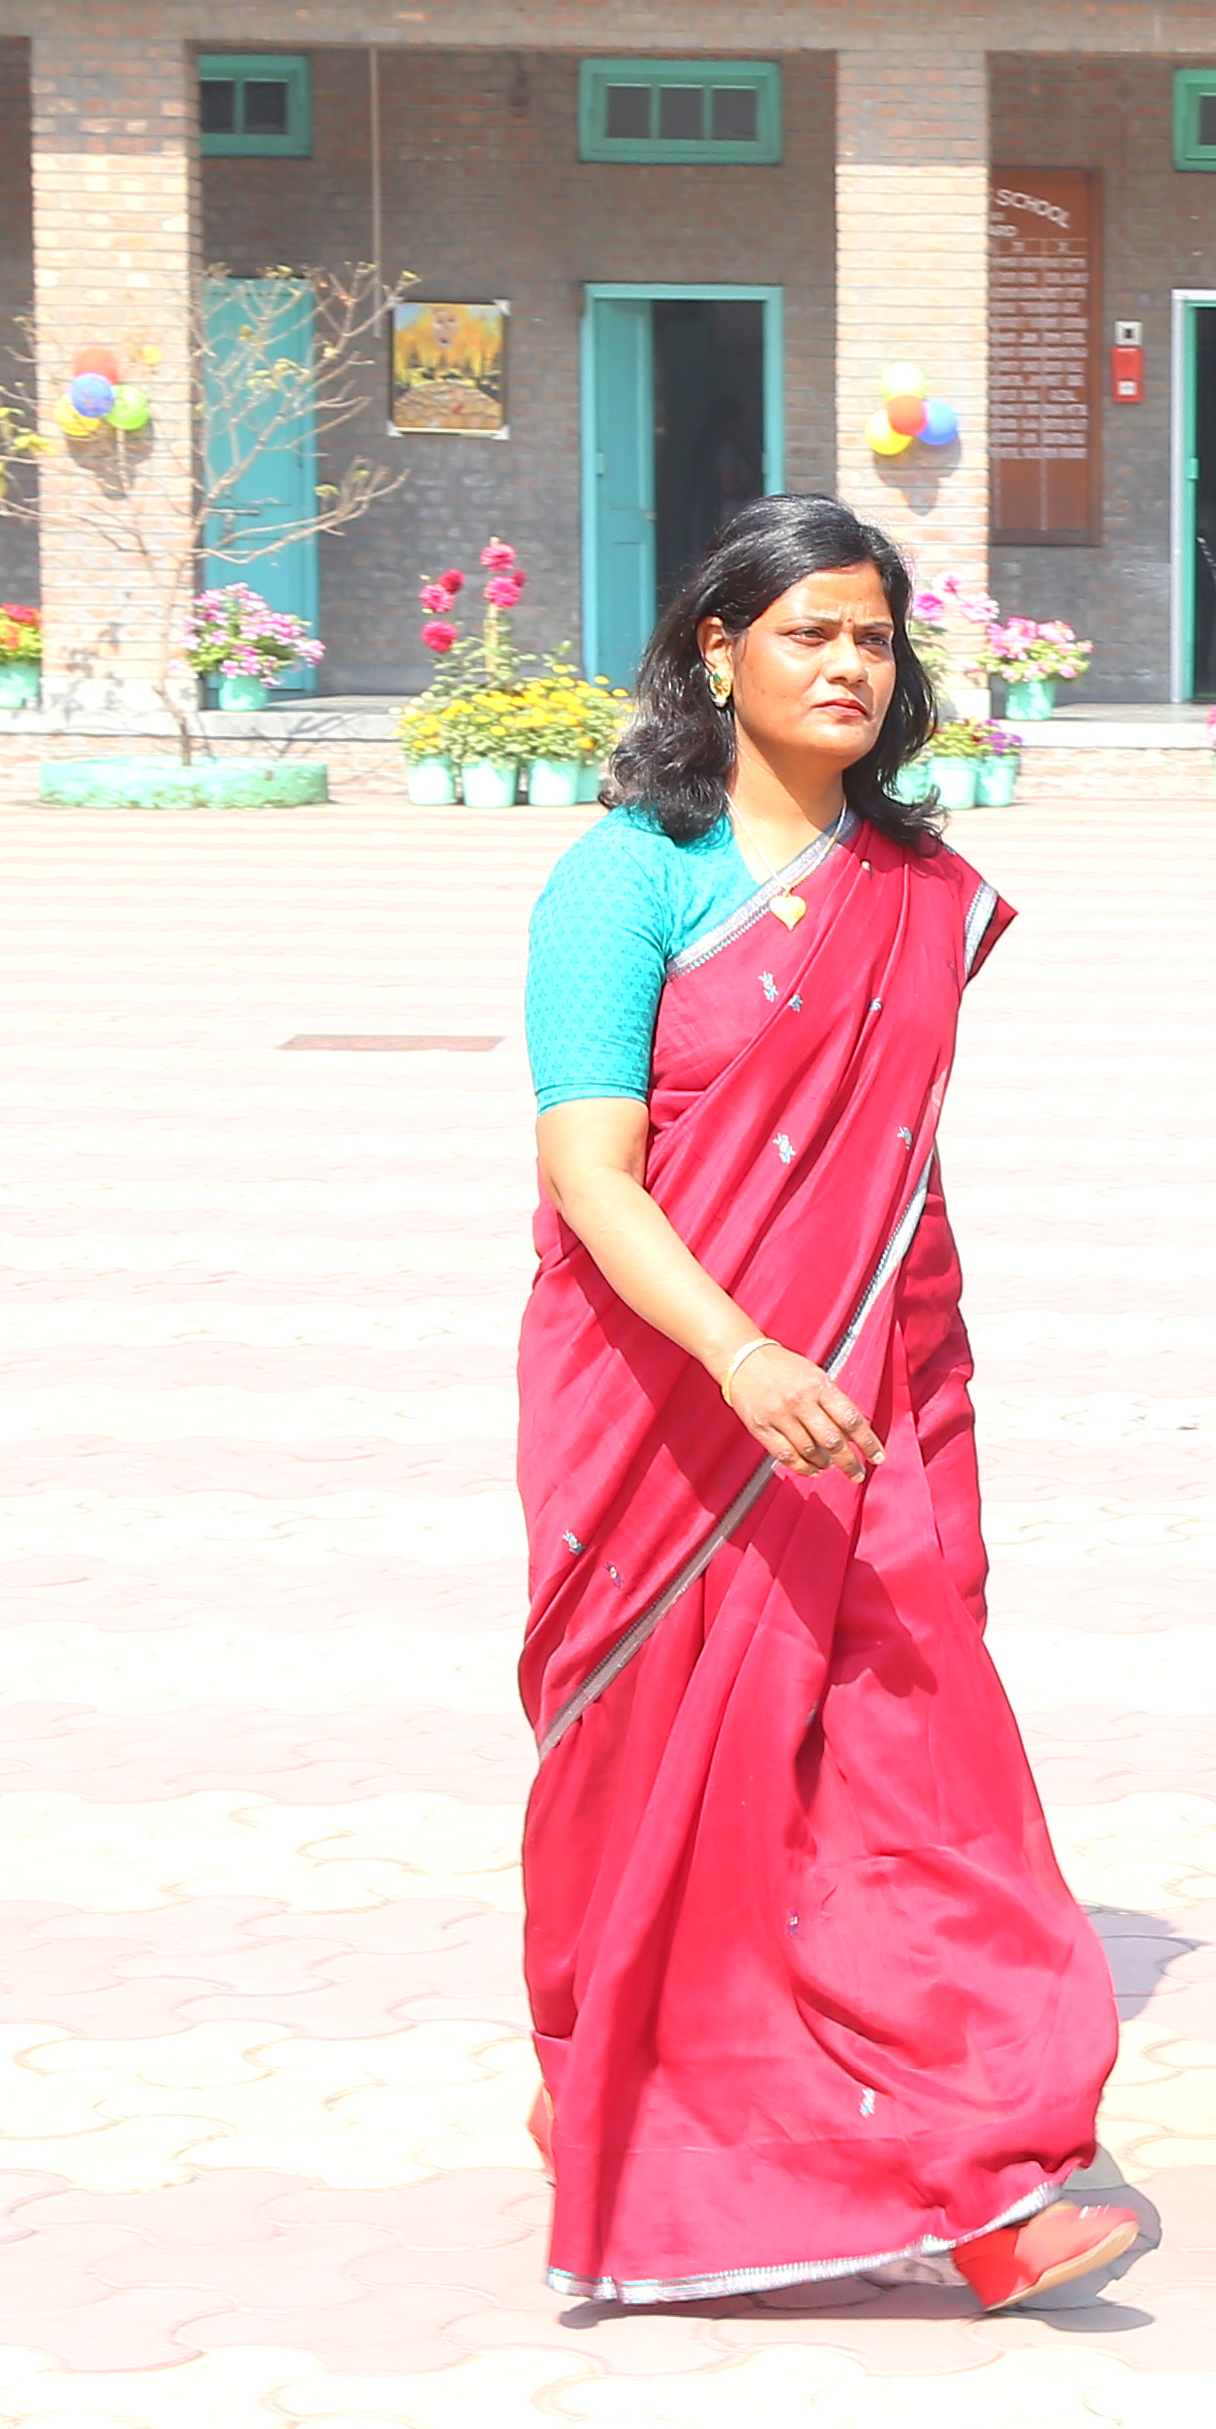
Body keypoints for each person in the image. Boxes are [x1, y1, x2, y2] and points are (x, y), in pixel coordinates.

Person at [509, 494, 1136, 2317]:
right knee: (660, 1787)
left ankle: (980, 2168)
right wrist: (744, 1355)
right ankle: (623, 2085)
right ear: (718, 652)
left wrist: (867, 1367)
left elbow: (884, 1169)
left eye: (873, 636)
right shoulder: (625, 877)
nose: (849, 665)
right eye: (809, 632)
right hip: (667, 1407)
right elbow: (591, 1173)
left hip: (881, 1401)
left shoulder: (914, 890)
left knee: (912, 1776)